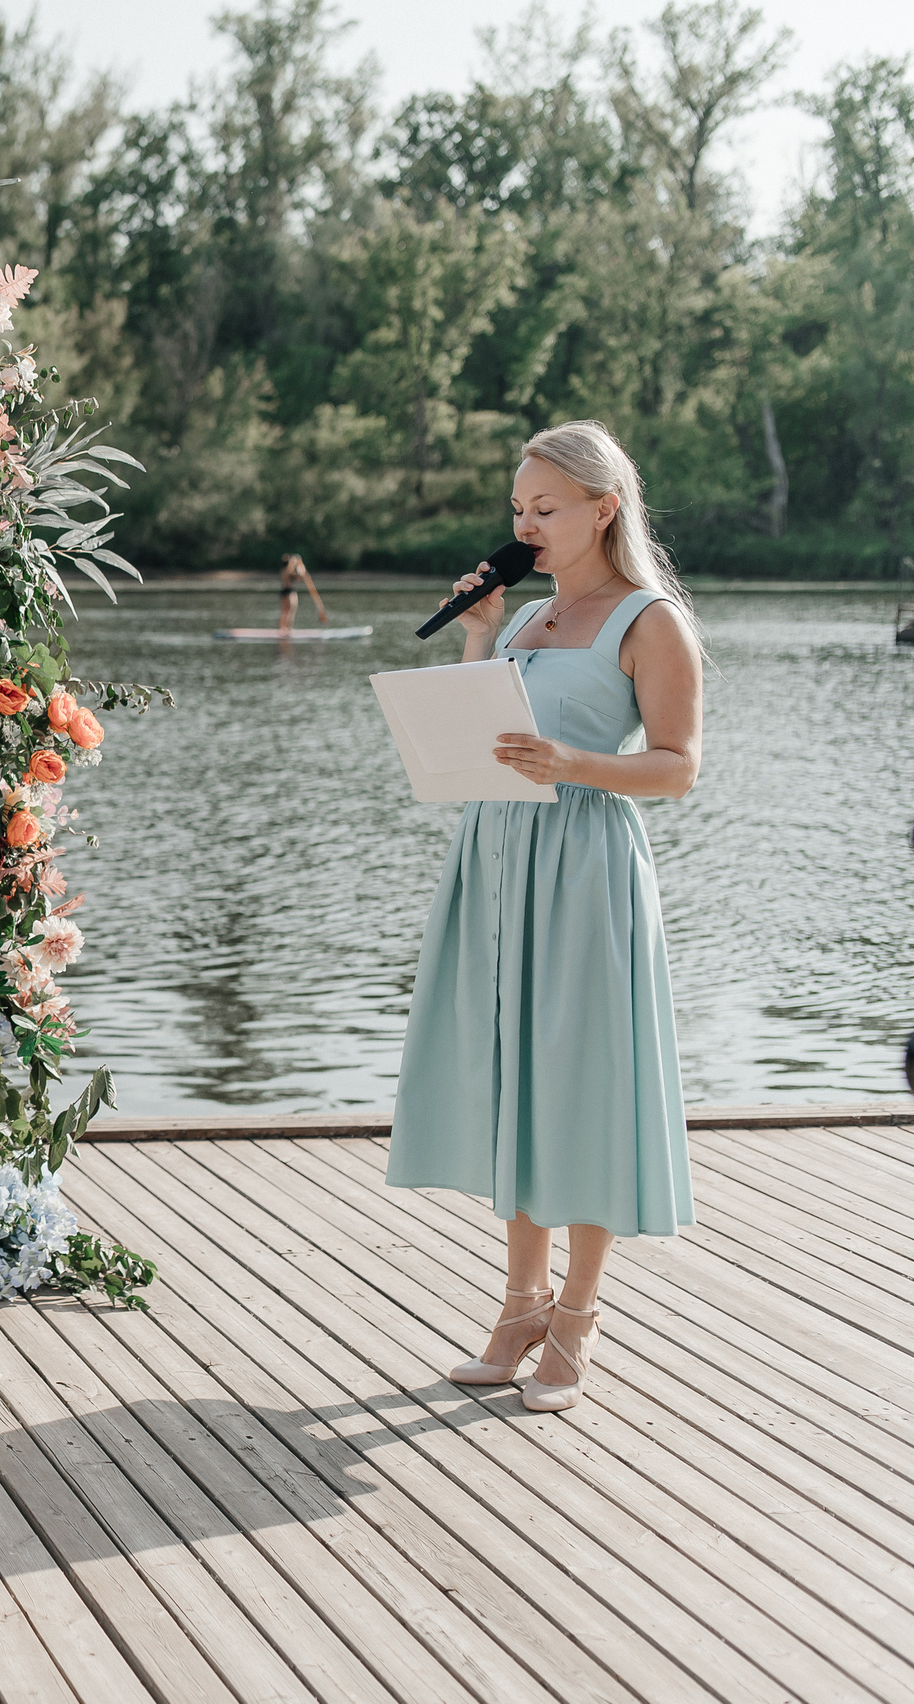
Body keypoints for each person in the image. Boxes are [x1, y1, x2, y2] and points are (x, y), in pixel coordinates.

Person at [388, 420, 704, 1413]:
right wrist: (479, 635)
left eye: (543, 508)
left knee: (581, 1084)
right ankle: (518, 1307)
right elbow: (488, 731)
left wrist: (571, 764)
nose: (522, 525)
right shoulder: (526, 620)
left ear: (601, 510)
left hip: (582, 871)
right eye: (516, 509)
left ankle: (576, 1317)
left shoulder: (647, 620)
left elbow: (677, 765)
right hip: (496, 862)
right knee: (513, 1080)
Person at [276, 552, 327, 633]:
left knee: (286, 611)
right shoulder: (287, 571)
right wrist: (299, 564)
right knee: (290, 610)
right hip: (289, 592)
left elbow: (299, 577)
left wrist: (299, 565)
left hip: (285, 592)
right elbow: (299, 575)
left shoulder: (284, 571)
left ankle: (284, 628)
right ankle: (286, 629)